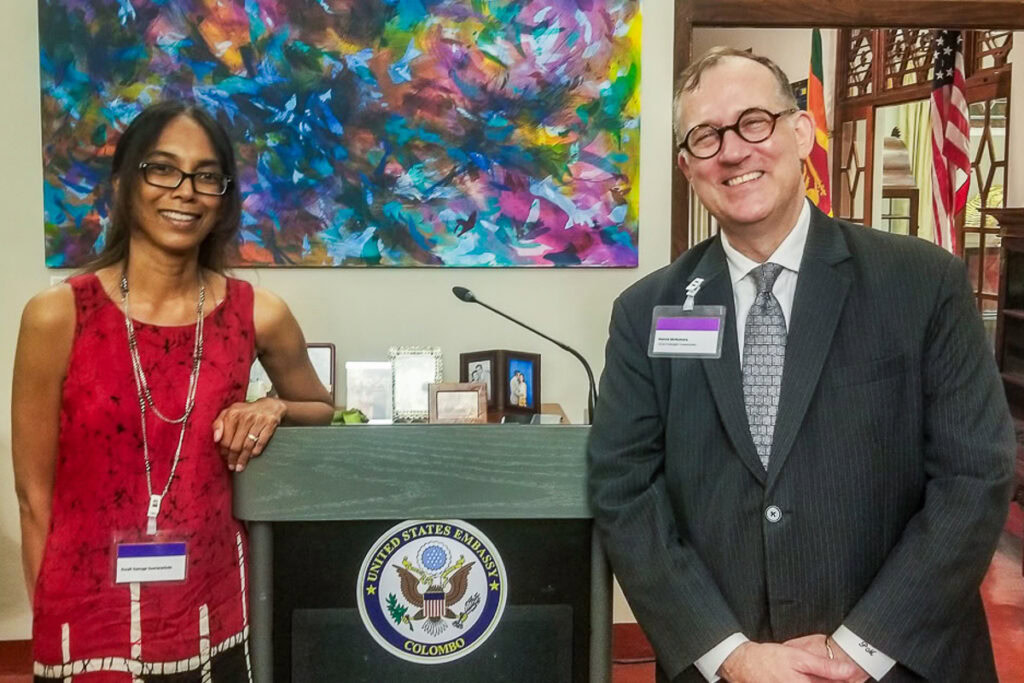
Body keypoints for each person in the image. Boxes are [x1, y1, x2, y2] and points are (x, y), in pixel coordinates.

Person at [587, 47, 1014, 683]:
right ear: (686, 166)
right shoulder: (647, 309)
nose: (733, 151)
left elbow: (974, 476)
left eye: (754, 121)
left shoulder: (923, 284)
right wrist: (730, 654)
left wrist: (856, 651)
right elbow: (625, 489)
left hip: (900, 662)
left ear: (800, 131)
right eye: (705, 137)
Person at [12, 101, 335, 681]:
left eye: (206, 175)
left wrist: (273, 406)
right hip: (84, 624)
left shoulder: (257, 313)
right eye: (162, 169)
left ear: (224, 195)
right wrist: (51, 621)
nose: (185, 191)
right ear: (124, 184)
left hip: (213, 617)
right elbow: (34, 499)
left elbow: (321, 408)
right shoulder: (57, 315)